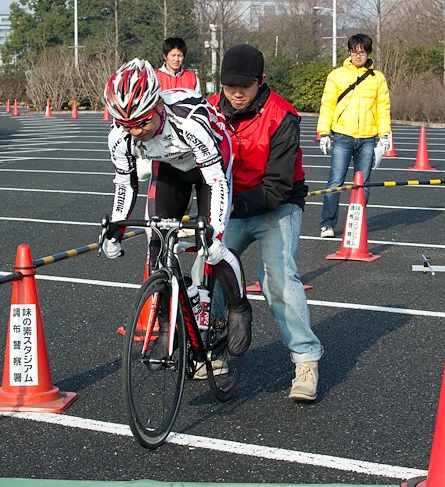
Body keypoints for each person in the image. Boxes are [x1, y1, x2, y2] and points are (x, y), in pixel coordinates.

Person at [101, 58, 252, 357]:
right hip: (170, 167)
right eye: (126, 125)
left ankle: (239, 307)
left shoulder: (189, 120)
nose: (135, 132)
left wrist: (213, 230)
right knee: (156, 249)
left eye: (142, 122)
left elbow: (216, 182)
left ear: (157, 106)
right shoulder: (120, 137)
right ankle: (169, 323)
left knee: (211, 247)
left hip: (210, 164)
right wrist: (115, 228)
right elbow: (125, 183)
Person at [209, 44, 324, 401]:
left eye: (245, 85)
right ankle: (212, 349)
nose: (237, 93)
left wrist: (228, 207)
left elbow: (276, 187)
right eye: (230, 86)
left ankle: (306, 360)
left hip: (276, 205)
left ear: (261, 81)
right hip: (229, 204)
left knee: (278, 280)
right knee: (207, 269)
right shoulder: (208, 111)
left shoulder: (283, 116)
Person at [317, 33, 391, 239]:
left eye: (363, 52)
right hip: (342, 135)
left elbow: (383, 107)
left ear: (368, 53)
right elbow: (327, 104)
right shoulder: (337, 75)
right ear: (349, 52)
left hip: (368, 138)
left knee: (363, 184)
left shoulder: (378, 78)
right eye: (355, 52)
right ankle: (327, 224)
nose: (358, 56)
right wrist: (324, 132)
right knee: (335, 181)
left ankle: (356, 223)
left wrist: (385, 134)